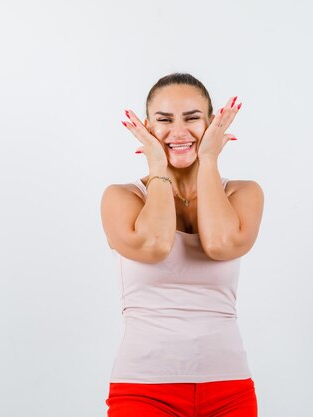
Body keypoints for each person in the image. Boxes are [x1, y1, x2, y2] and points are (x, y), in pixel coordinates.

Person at [100, 72, 264, 416]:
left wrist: (209, 161)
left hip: (229, 389)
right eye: (164, 120)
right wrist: (158, 164)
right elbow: (155, 245)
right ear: (146, 127)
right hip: (143, 391)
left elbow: (220, 243)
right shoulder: (121, 197)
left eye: (192, 119)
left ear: (211, 124)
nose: (178, 132)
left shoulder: (243, 193)